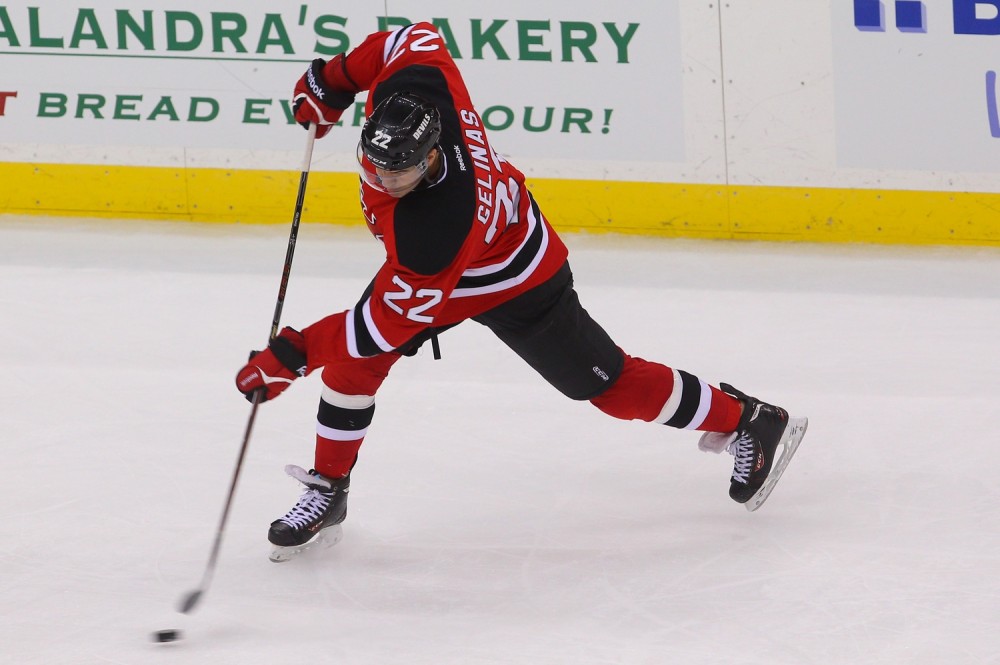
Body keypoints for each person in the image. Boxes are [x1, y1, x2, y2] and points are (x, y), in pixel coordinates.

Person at [235, 22, 808, 561]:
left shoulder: (438, 228)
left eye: (399, 173)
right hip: (434, 273)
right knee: (354, 368)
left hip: (515, 275)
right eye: (378, 165)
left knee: (611, 388)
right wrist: (333, 81)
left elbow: (377, 327)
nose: (385, 179)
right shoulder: (421, 87)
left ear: (431, 157)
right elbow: (410, 38)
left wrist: (291, 355)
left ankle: (748, 419)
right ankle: (329, 488)